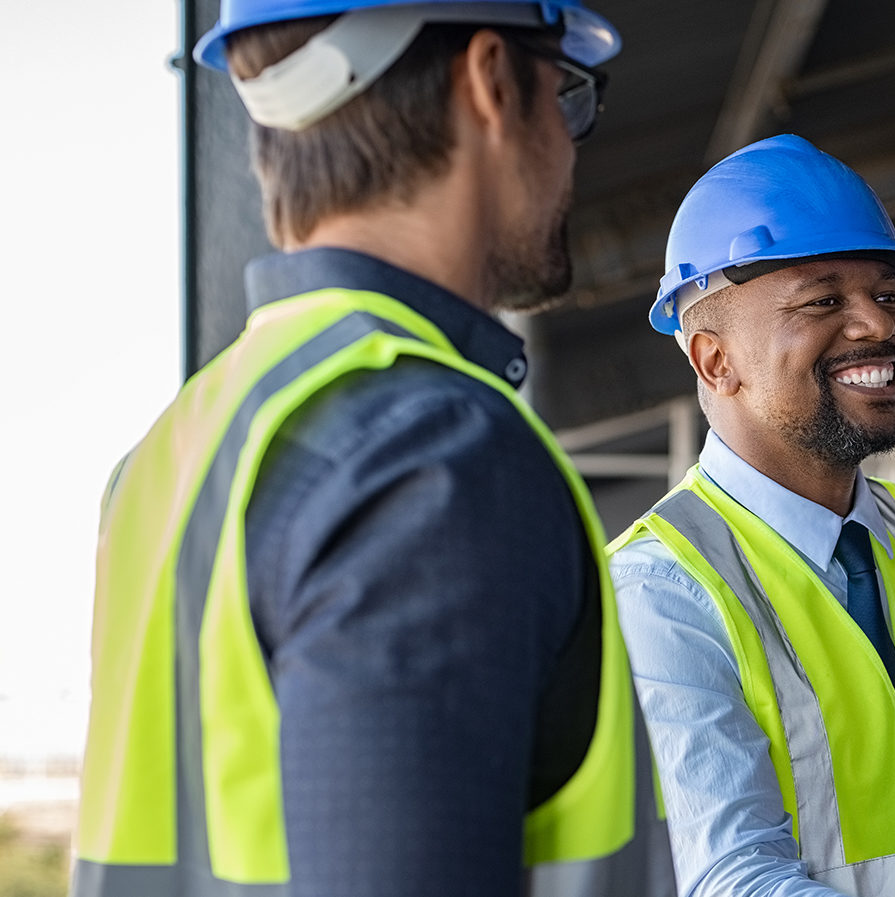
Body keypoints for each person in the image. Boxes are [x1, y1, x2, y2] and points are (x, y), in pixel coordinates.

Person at [72, 2, 639, 895]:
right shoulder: (435, 456)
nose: (572, 150)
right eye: (564, 96)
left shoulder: (172, 449)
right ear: (490, 80)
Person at [607, 134, 895, 897]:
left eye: (888, 294)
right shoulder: (663, 588)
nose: (879, 325)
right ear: (713, 360)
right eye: (825, 300)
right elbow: (732, 875)